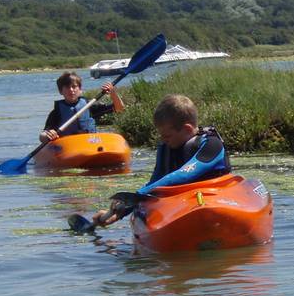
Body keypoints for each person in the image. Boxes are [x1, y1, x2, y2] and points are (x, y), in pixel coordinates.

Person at [90, 94, 231, 227]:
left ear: (187, 129)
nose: (163, 140)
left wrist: (133, 197)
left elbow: (184, 174)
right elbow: (154, 183)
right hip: (181, 205)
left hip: (216, 199)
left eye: (167, 136)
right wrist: (120, 212)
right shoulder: (166, 148)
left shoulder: (212, 145)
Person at [39, 72, 125, 143]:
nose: (71, 90)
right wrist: (49, 135)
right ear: (61, 91)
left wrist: (113, 92)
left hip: (90, 143)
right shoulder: (56, 112)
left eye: (74, 86)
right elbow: (42, 136)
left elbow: (120, 108)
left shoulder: (89, 106)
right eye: (67, 87)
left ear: (80, 90)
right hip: (68, 145)